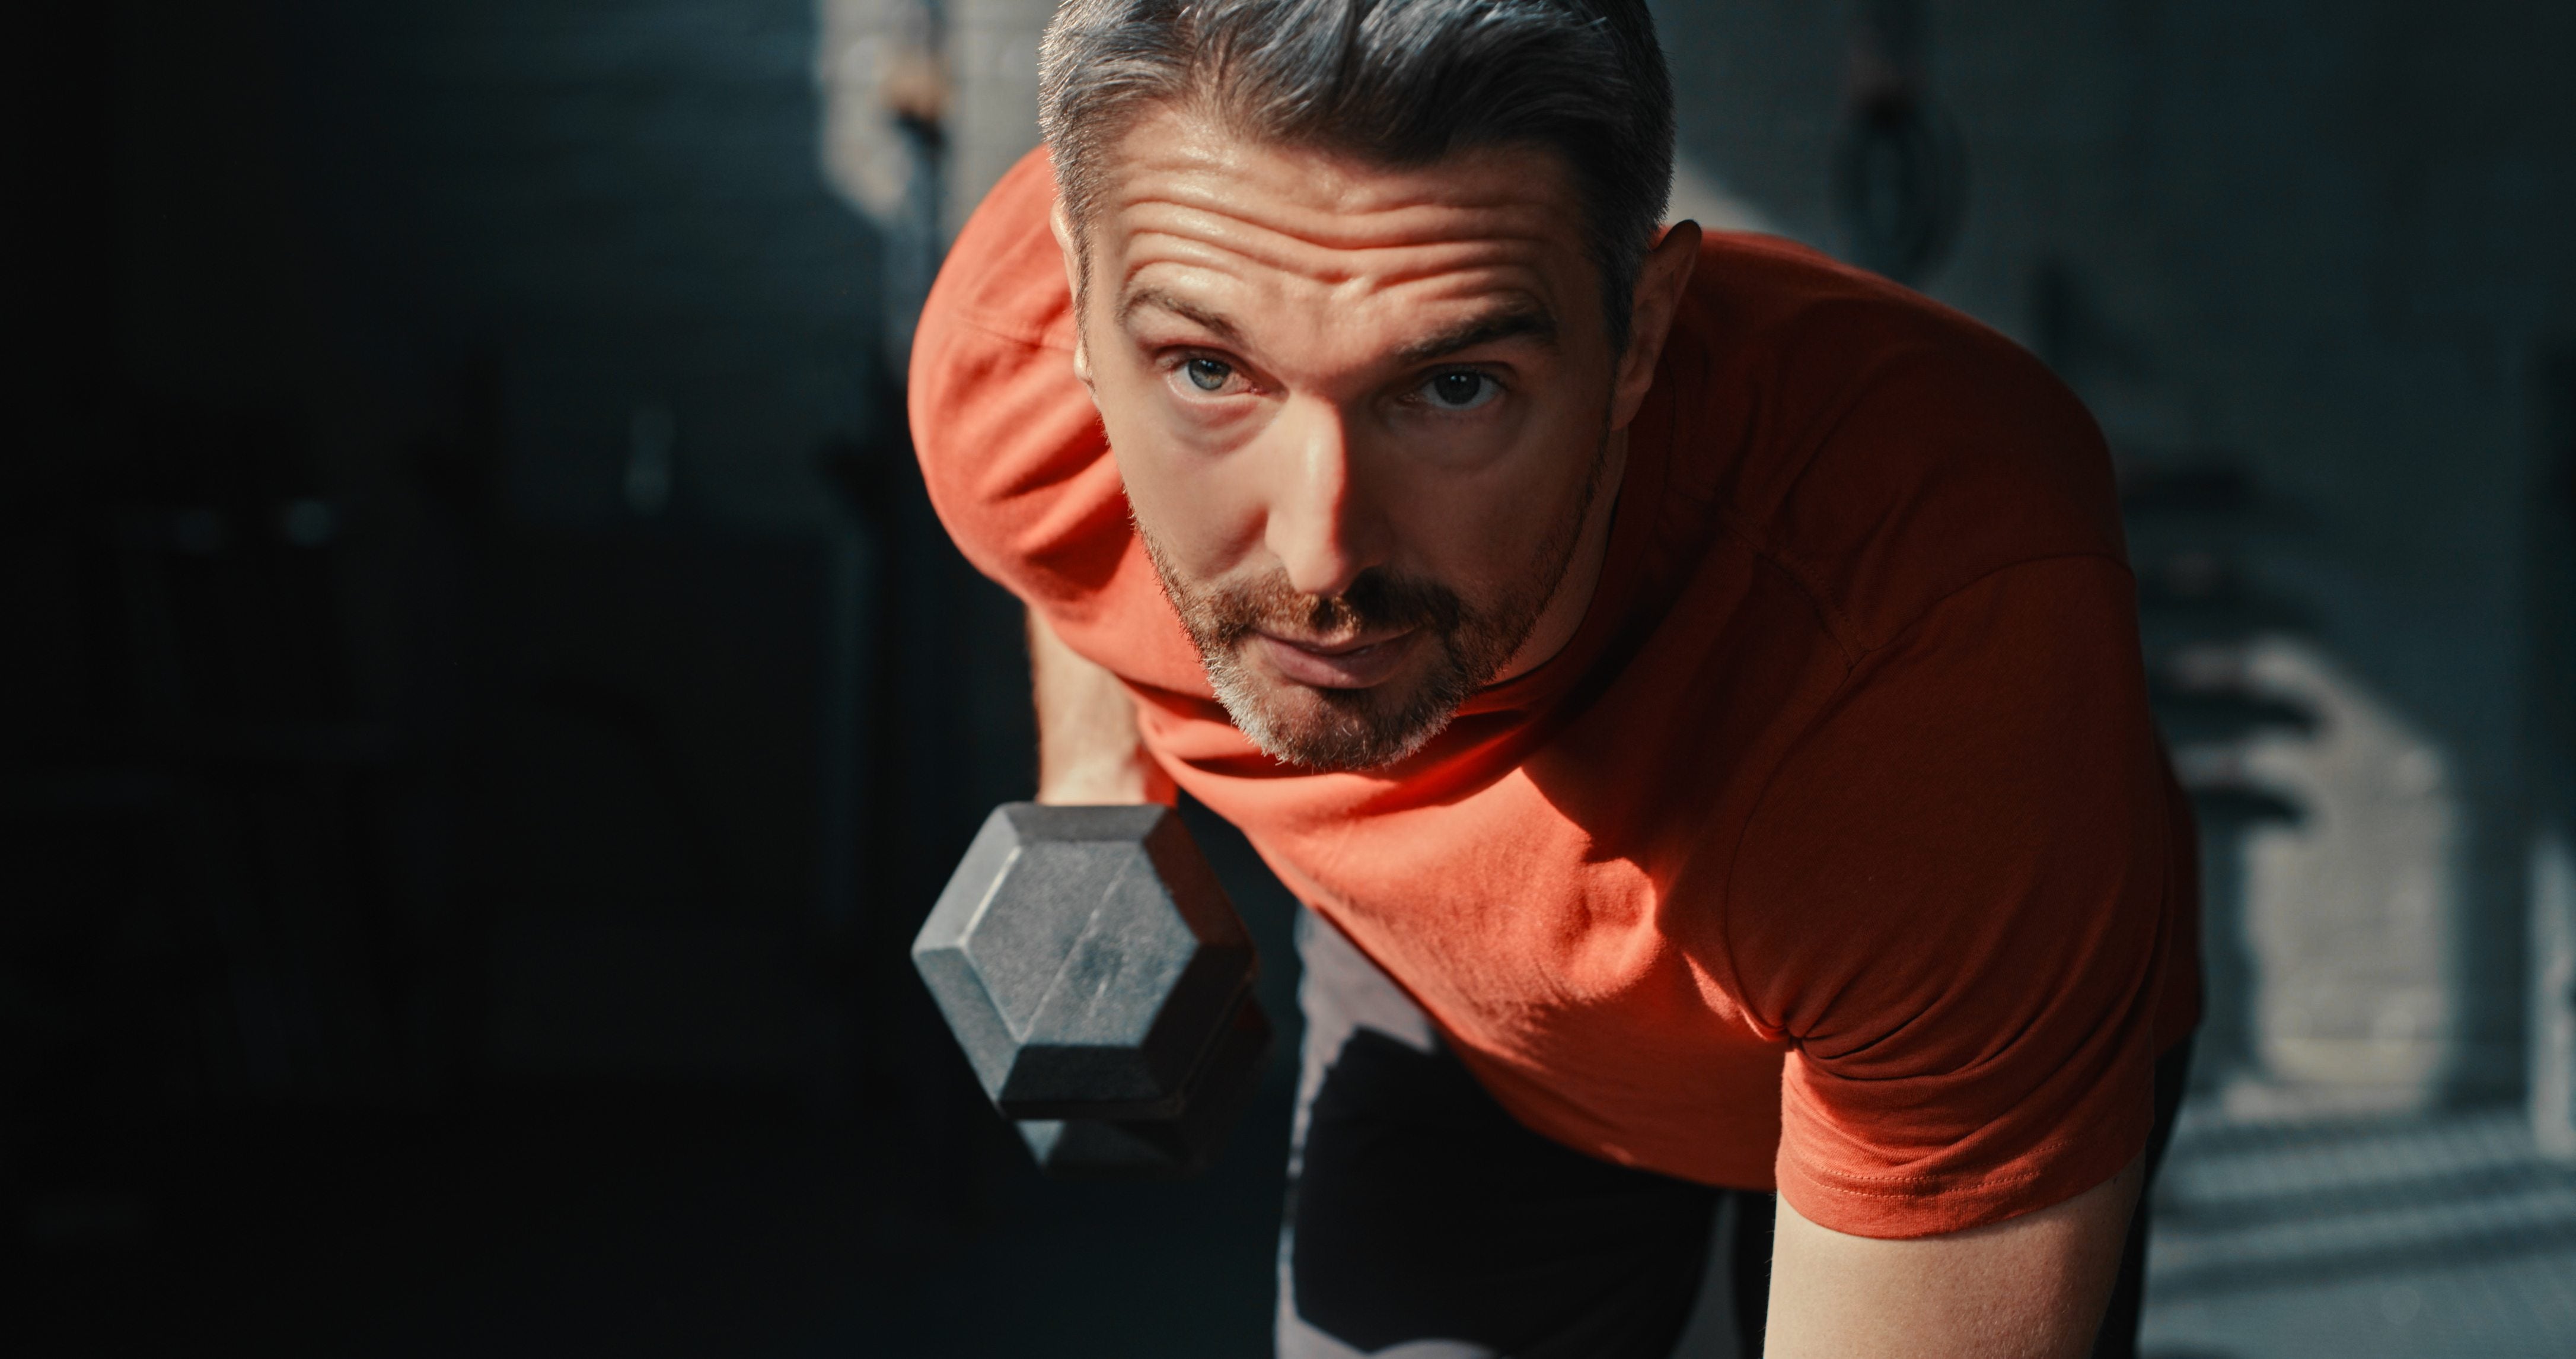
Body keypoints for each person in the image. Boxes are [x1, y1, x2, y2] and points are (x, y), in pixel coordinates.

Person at [907, 1, 2200, 1354]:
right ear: (1078, 306)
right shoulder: (1017, 376)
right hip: (1465, 1023)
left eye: (1454, 386)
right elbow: (1072, 561)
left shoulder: (1930, 668)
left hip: (1923, 1016)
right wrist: (1096, 790)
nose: (1319, 554)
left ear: (1639, 335)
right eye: (1208, 369)